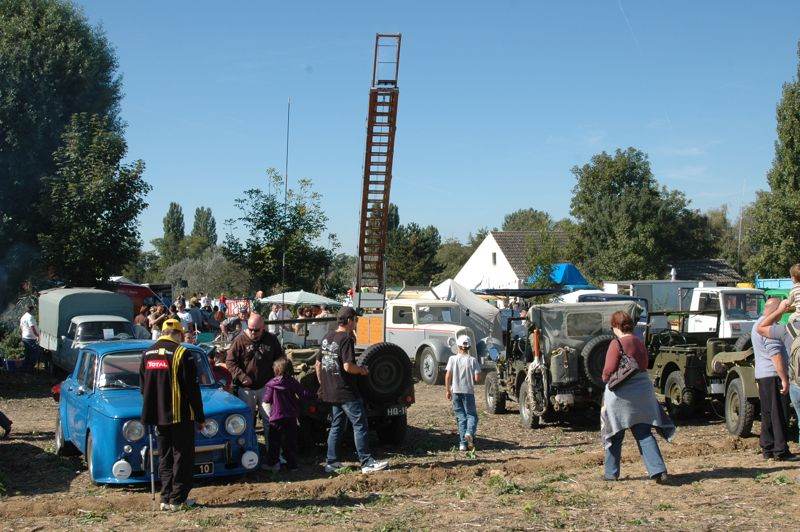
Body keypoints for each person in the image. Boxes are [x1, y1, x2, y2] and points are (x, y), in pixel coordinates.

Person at [140, 319, 209, 511]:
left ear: (163, 332)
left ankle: (165, 497)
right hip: (180, 415)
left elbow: (143, 387)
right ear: (178, 334)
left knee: (165, 456)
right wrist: (200, 417)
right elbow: (192, 389)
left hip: (158, 415)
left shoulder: (147, 354)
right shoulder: (182, 353)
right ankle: (178, 500)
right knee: (182, 456)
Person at [600, 311, 674, 482]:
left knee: (614, 433)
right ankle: (659, 471)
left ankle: (611, 474)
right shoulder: (639, 343)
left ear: (615, 326)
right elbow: (645, 364)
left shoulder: (616, 343)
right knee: (643, 433)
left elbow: (608, 370)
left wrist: (604, 379)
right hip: (643, 394)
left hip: (620, 396)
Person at [316, 306, 388, 474]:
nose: (356, 323)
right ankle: (366, 462)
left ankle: (331, 462)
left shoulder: (327, 337)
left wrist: (323, 383)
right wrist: (361, 370)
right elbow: (348, 366)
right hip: (346, 391)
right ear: (348, 320)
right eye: (355, 320)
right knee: (360, 424)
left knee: (337, 425)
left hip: (331, 390)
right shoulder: (346, 339)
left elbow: (318, 364)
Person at [753, 298, 796, 459]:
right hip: (773, 375)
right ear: (777, 309)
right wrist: (784, 378)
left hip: (763, 375)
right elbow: (776, 355)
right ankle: (780, 450)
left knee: (768, 413)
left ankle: (767, 448)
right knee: (779, 414)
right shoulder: (770, 327)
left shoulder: (757, 324)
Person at [226, 313, 284, 428]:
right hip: (246, 389)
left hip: (266, 386)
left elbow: (280, 358)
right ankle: (250, 440)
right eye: (250, 329)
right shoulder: (239, 340)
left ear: (263, 328)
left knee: (270, 419)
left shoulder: (271, 339)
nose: (253, 332)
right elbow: (230, 361)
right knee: (246, 421)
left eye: (256, 330)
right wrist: (241, 376)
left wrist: (278, 374)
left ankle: (270, 440)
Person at [262, 358, 315, 472]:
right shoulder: (292, 381)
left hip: (276, 417)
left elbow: (266, 400)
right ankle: (292, 465)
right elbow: (303, 393)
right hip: (291, 416)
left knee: (274, 442)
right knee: (290, 442)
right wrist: (315, 396)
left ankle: (273, 464)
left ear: (276, 369)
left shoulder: (271, 384)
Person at [445, 335, 482, 451]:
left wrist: (448, 390)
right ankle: (469, 432)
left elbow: (448, 375)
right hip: (468, 391)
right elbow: (477, 378)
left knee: (461, 417)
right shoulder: (473, 360)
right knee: (472, 415)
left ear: (458, 346)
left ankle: (462, 444)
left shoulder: (452, 359)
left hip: (455, 391)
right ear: (469, 346)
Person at [19, 305, 40, 372]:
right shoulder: (30, 317)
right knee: (35, 352)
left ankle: (26, 368)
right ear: (32, 310)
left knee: (27, 353)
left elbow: (21, 327)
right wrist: (37, 335)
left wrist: (22, 335)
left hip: (25, 337)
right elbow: (32, 327)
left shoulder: (23, 317)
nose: (34, 311)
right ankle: (30, 368)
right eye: (34, 309)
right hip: (31, 338)